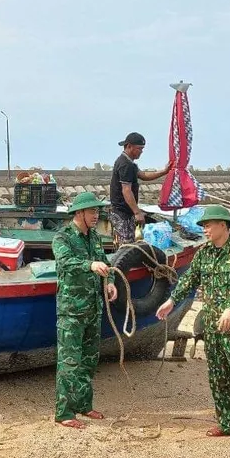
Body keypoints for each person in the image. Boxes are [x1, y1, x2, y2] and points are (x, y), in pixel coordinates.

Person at [155, 205, 230, 453]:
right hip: (213, 327)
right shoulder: (204, 253)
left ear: (224, 226)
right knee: (218, 377)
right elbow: (190, 278)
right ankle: (226, 423)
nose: (204, 228)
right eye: (203, 225)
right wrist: (172, 301)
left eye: (209, 224)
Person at [51, 191, 118, 429]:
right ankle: (64, 413)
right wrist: (89, 265)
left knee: (89, 360)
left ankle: (83, 405)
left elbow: (105, 263)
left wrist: (109, 282)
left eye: (97, 211)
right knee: (69, 362)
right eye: (92, 211)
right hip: (72, 311)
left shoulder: (95, 238)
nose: (96, 215)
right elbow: (65, 262)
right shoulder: (63, 237)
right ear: (79, 213)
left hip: (93, 308)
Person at [109, 132, 172, 244]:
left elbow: (143, 175)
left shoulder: (130, 163)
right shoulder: (125, 164)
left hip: (126, 212)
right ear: (129, 146)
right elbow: (126, 190)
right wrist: (137, 212)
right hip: (121, 212)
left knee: (131, 242)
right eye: (139, 149)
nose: (141, 152)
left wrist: (164, 171)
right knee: (126, 246)